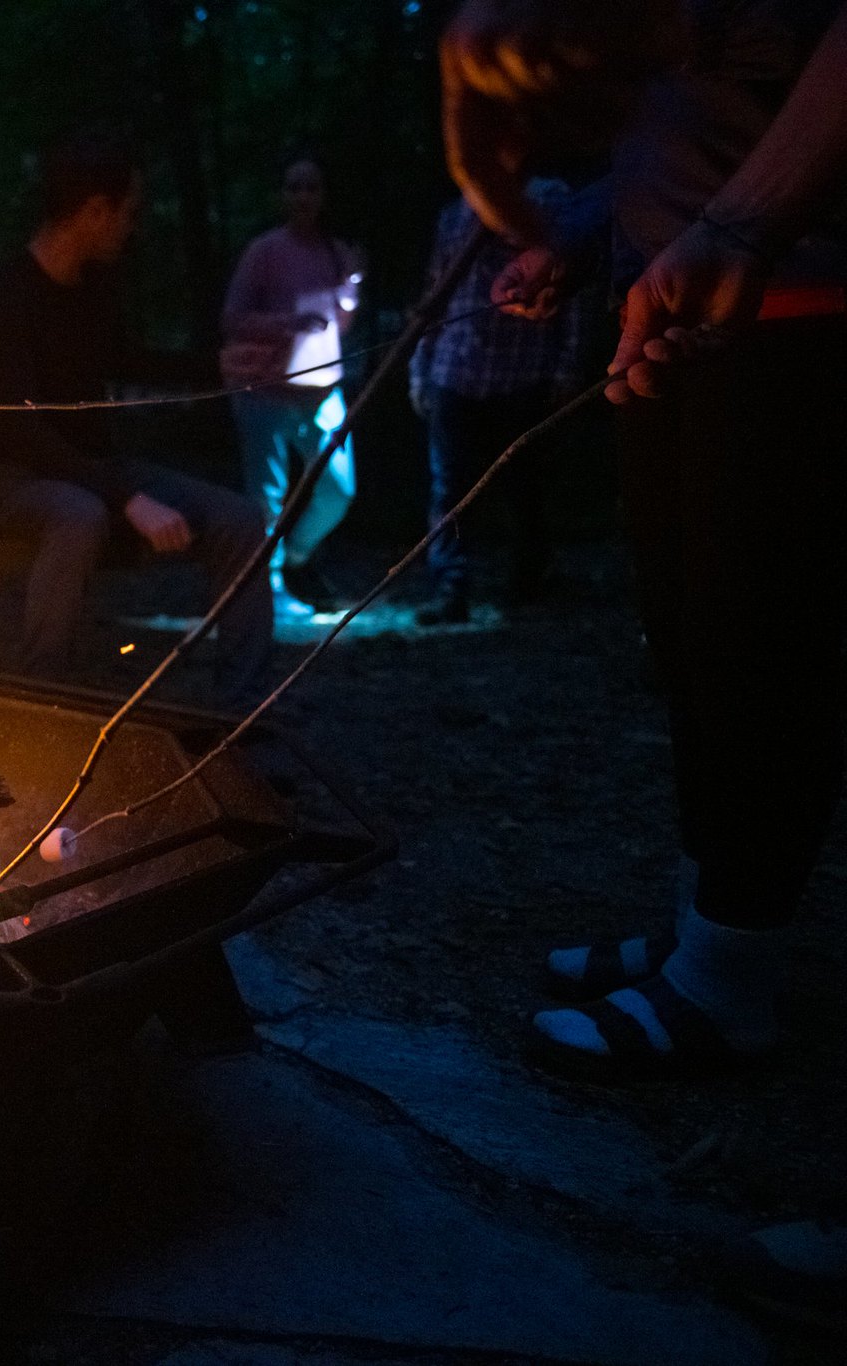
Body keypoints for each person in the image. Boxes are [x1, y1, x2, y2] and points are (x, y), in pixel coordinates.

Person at [441, 0, 847, 1317]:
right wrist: (588, 219)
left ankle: (726, 983)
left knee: (756, 640)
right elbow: (705, 88)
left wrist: (744, 218)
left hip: (800, 283)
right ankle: (704, 932)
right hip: (675, 277)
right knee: (686, 632)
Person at [0, 137, 272, 698]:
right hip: (16, 478)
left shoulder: (96, 285)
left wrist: (218, 366)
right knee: (81, 514)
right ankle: (44, 696)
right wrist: (126, 497)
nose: (130, 226)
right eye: (126, 211)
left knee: (240, 520)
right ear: (93, 211)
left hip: (100, 471)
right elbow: (17, 428)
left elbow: (126, 358)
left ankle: (243, 709)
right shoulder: (5, 294)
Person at [407, 177, 597, 624]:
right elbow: (436, 293)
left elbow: (572, 291)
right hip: (456, 370)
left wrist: (568, 366)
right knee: (450, 487)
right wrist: (420, 366)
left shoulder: (550, 202)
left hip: (522, 370)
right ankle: (451, 586)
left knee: (523, 484)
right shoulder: (458, 212)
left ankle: (529, 580)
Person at [221, 157, 365, 617]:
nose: (303, 197)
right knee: (266, 496)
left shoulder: (338, 253)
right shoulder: (264, 251)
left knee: (338, 489)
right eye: (294, 187)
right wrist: (288, 323)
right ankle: (272, 589)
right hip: (266, 391)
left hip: (323, 391)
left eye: (312, 188)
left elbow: (342, 323)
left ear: (323, 196)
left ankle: (296, 560)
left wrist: (351, 290)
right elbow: (232, 319)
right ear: (283, 196)